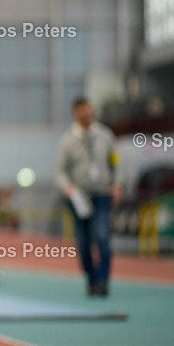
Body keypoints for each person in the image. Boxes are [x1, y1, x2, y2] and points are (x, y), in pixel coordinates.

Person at [55, 97, 122, 297]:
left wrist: (117, 184)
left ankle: (103, 281)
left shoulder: (105, 136)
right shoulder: (68, 140)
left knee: (101, 236)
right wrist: (67, 187)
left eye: (89, 111)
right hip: (78, 197)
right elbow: (60, 171)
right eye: (82, 112)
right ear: (75, 113)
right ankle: (91, 279)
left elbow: (116, 162)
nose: (86, 115)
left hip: (102, 194)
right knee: (83, 242)